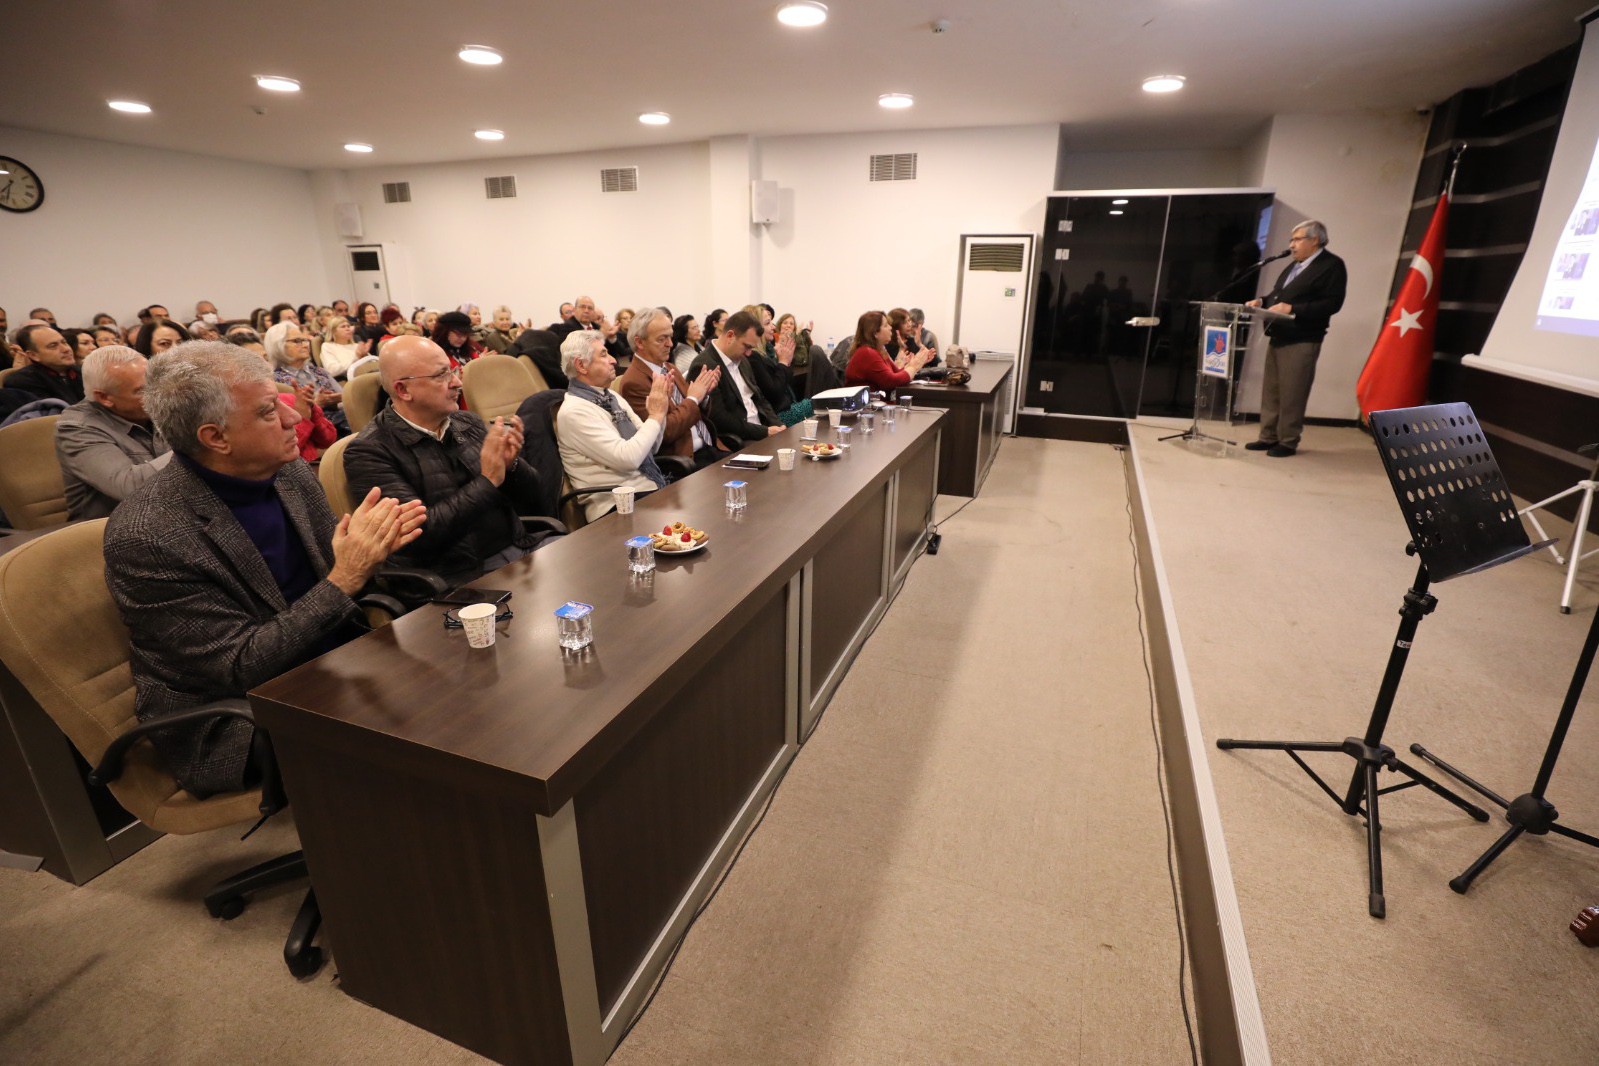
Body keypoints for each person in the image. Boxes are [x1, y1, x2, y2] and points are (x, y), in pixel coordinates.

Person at [104, 340, 425, 796]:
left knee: (457, 674)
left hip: (333, 662)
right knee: (435, 737)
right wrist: (346, 577)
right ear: (216, 437)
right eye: (270, 411)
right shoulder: (148, 535)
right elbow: (240, 667)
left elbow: (335, 580)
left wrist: (372, 552)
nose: (295, 419)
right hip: (239, 712)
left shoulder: (287, 474)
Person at [344, 335, 553, 584]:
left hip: (520, 546)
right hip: (459, 577)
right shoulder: (370, 452)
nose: (457, 383)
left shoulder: (467, 423)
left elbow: (536, 499)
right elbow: (420, 538)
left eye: (453, 371)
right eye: (441, 375)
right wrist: (488, 481)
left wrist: (512, 467)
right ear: (403, 390)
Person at [1244, 219, 1347, 458]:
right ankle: (1267, 436)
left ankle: (1288, 441)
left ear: (1315, 240)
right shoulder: (1294, 265)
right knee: (1272, 391)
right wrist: (1262, 301)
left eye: (1297, 239)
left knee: (1293, 392)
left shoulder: (1331, 265)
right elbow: (1279, 295)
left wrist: (1293, 309)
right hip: (1279, 334)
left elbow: (1333, 303)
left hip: (1302, 338)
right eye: (1291, 239)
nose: (1292, 245)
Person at [556, 330, 672, 522]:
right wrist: (655, 415)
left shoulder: (611, 398)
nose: (613, 360)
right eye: (603, 354)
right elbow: (628, 459)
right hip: (615, 507)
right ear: (581, 365)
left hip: (645, 490)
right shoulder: (574, 412)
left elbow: (652, 447)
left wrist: (661, 410)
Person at [54, 346, 173, 520]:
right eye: (142, 390)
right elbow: (129, 486)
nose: (158, 394)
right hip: (110, 529)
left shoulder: (156, 407)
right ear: (105, 398)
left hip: (166, 515)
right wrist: (197, 449)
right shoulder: (76, 428)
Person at [617, 307, 724, 467]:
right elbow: (663, 433)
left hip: (710, 447)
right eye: (662, 339)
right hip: (686, 461)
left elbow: (694, 413)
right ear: (640, 342)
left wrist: (703, 395)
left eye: (670, 337)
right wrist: (693, 398)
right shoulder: (634, 382)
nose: (670, 344)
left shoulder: (669, 367)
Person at [688, 310, 784, 446]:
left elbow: (760, 399)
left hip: (761, 431)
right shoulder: (705, 366)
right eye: (747, 346)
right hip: (740, 439)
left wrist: (779, 425)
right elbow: (720, 420)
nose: (749, 353)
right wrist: (764, 432)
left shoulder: (742, 360)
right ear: (730, 336)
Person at [265, 321, 344, 428]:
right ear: (279, 346)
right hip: (309, 431)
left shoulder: (319, 372)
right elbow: (286, 419)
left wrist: (339, 398)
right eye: (297, 341)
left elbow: (345, 399)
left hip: (338, 422)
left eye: (305, 340)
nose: (305, 345)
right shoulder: (276, 380)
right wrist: (316, 403)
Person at [845, 310, 934, 391]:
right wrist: (914, 366)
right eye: (886, 325)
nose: (890, 328)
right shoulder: (867, 352)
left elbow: (897, 373)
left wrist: (916, 363)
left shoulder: (880, 350)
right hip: (864, 407)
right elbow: (891, 382)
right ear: (875, 333)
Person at [6, 324, 86, 404]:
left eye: (64, 342)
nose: (66, 349)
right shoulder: (23, 381)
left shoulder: (84, 372)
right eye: (53, 346)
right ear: (33, 355)